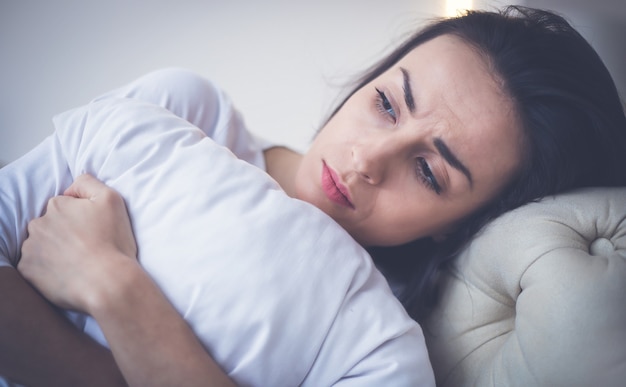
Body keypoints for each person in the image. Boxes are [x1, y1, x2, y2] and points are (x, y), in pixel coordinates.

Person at [3, 5, 626, 386]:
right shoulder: (184, 114)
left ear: (461, 227)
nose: (364, 161)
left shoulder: (381, 351)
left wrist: (114, 288)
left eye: (430, 173)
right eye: (386, 103)